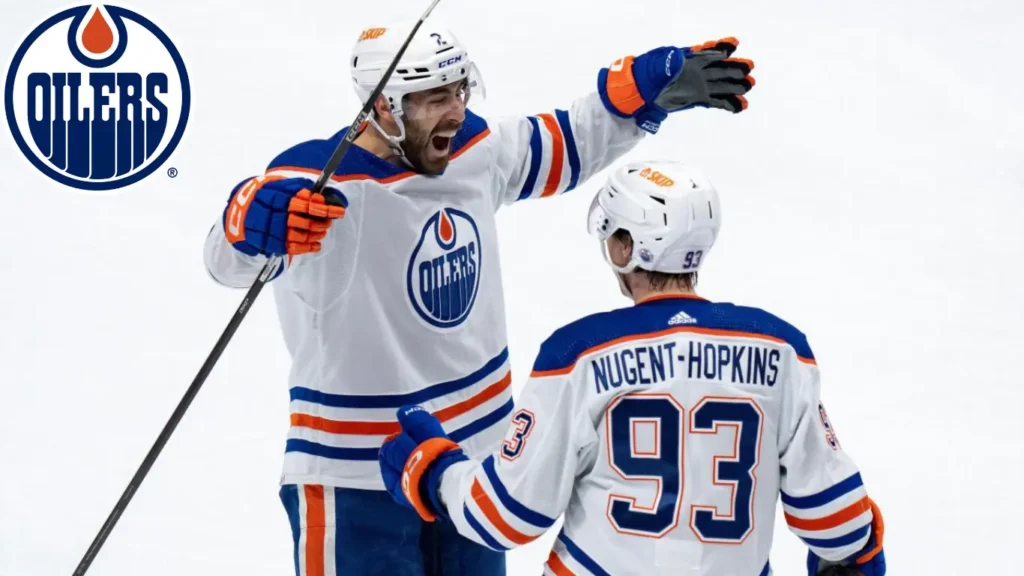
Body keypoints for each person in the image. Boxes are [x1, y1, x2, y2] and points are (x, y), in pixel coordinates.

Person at [203, 15, 756, 576]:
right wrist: (247, 221)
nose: (456, 112)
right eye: (434, 98)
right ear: (384, 107)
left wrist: (632, 97)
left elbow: (564, 142)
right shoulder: (318, 189)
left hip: (468, 466)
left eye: (460, 89)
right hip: (353, 478)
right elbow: (227, 261)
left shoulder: (473, 151)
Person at [379, 160, 887, 576]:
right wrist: (860, 552)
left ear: (625, 248)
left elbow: (506, 516)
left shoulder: (578, 352)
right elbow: (840, 524)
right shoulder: (780, 349)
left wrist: (433, 471)